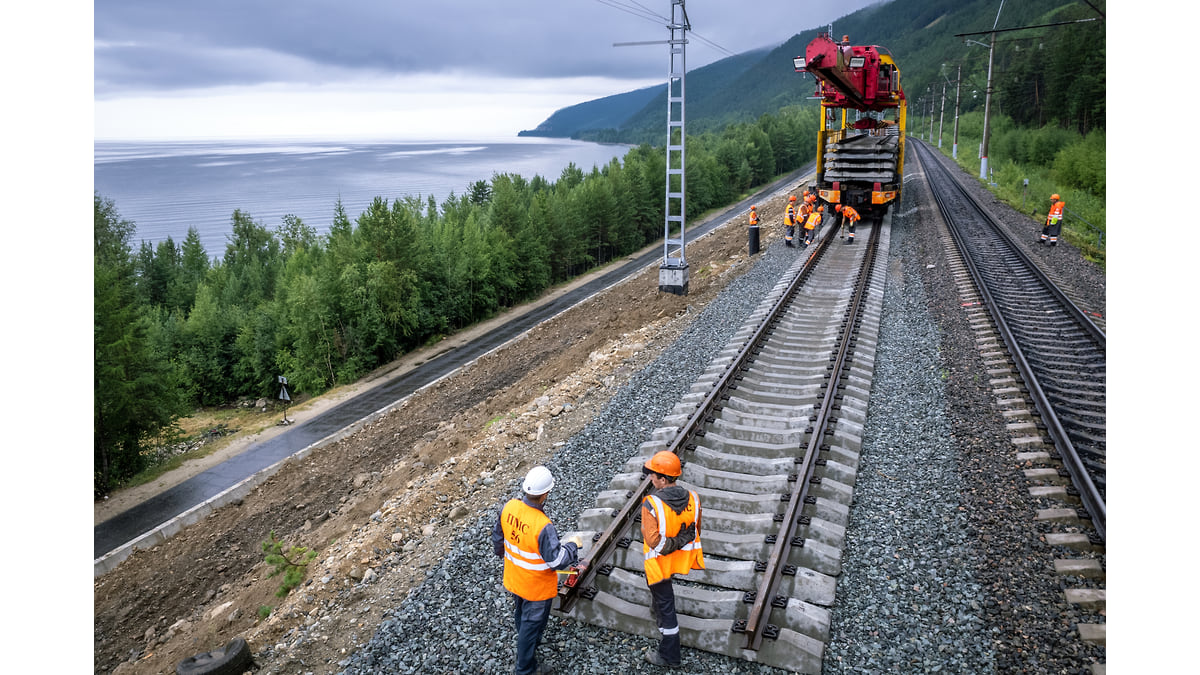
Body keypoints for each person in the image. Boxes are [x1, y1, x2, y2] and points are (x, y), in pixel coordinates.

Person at [493, 466, 582, 675]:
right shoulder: (542, 525)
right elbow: (557, 561)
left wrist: (505, 556)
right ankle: (525, 669)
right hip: (536, 587)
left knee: (521, 613)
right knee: (531, 624)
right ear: (545, 494)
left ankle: (527, 643)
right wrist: (572, 546)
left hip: (516, 578)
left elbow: (498, 541)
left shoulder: (509, 508)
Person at [640, 451, 704, 669]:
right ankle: (657, 610)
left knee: (667, 607)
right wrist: (681, 539)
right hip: (679, 560)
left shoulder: (651, 504)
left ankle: (670, 656)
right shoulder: (693, 498)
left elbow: (655, 542)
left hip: (658, 565)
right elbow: (695, 530)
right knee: (661, 598)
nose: (650, 478)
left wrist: (673, 542)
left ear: (663, 479)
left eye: (654, 475)